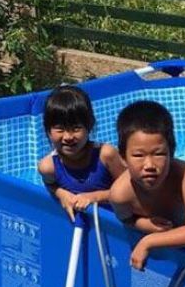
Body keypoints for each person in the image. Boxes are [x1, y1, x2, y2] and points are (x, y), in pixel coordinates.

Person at [109, 100, 185, 270]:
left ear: (171, 153)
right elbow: (127, 220)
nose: (149, 165)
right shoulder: (120, 194)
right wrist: (144, 224)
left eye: (159, 154)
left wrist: (148, 241)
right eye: (138, 155)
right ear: (123, 158)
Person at [37, 85, 125, 221]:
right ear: (48, 131)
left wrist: (94, 197)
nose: (68, 137)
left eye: (76, 128)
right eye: (60, 129)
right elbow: (50, 185)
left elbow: (131, 188)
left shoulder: (106, 155)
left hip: (113, 224)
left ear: (89, 127)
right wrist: (61, 194)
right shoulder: (48, 167)